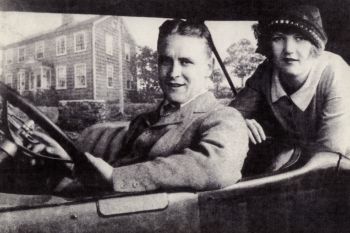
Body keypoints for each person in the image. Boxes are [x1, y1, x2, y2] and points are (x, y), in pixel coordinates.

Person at [34, 19, 248, 193]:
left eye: (185, 62)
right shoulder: (145, 120)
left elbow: (216, 168)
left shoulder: (224, 118)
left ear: (208, 67)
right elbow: (117, 165)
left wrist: (113, 177)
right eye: (165, 61)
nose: (173, 73)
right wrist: (70, 162)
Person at [230, 5, 350, 175]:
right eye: (278, 38)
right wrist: (237, 121)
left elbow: (330, 156)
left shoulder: (335, 72)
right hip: (296, 168)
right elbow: (230, 114)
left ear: (314, 45)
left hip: (340, 172)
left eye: (299, 38)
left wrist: (289, 155)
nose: (289, 49)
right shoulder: (266, 71)